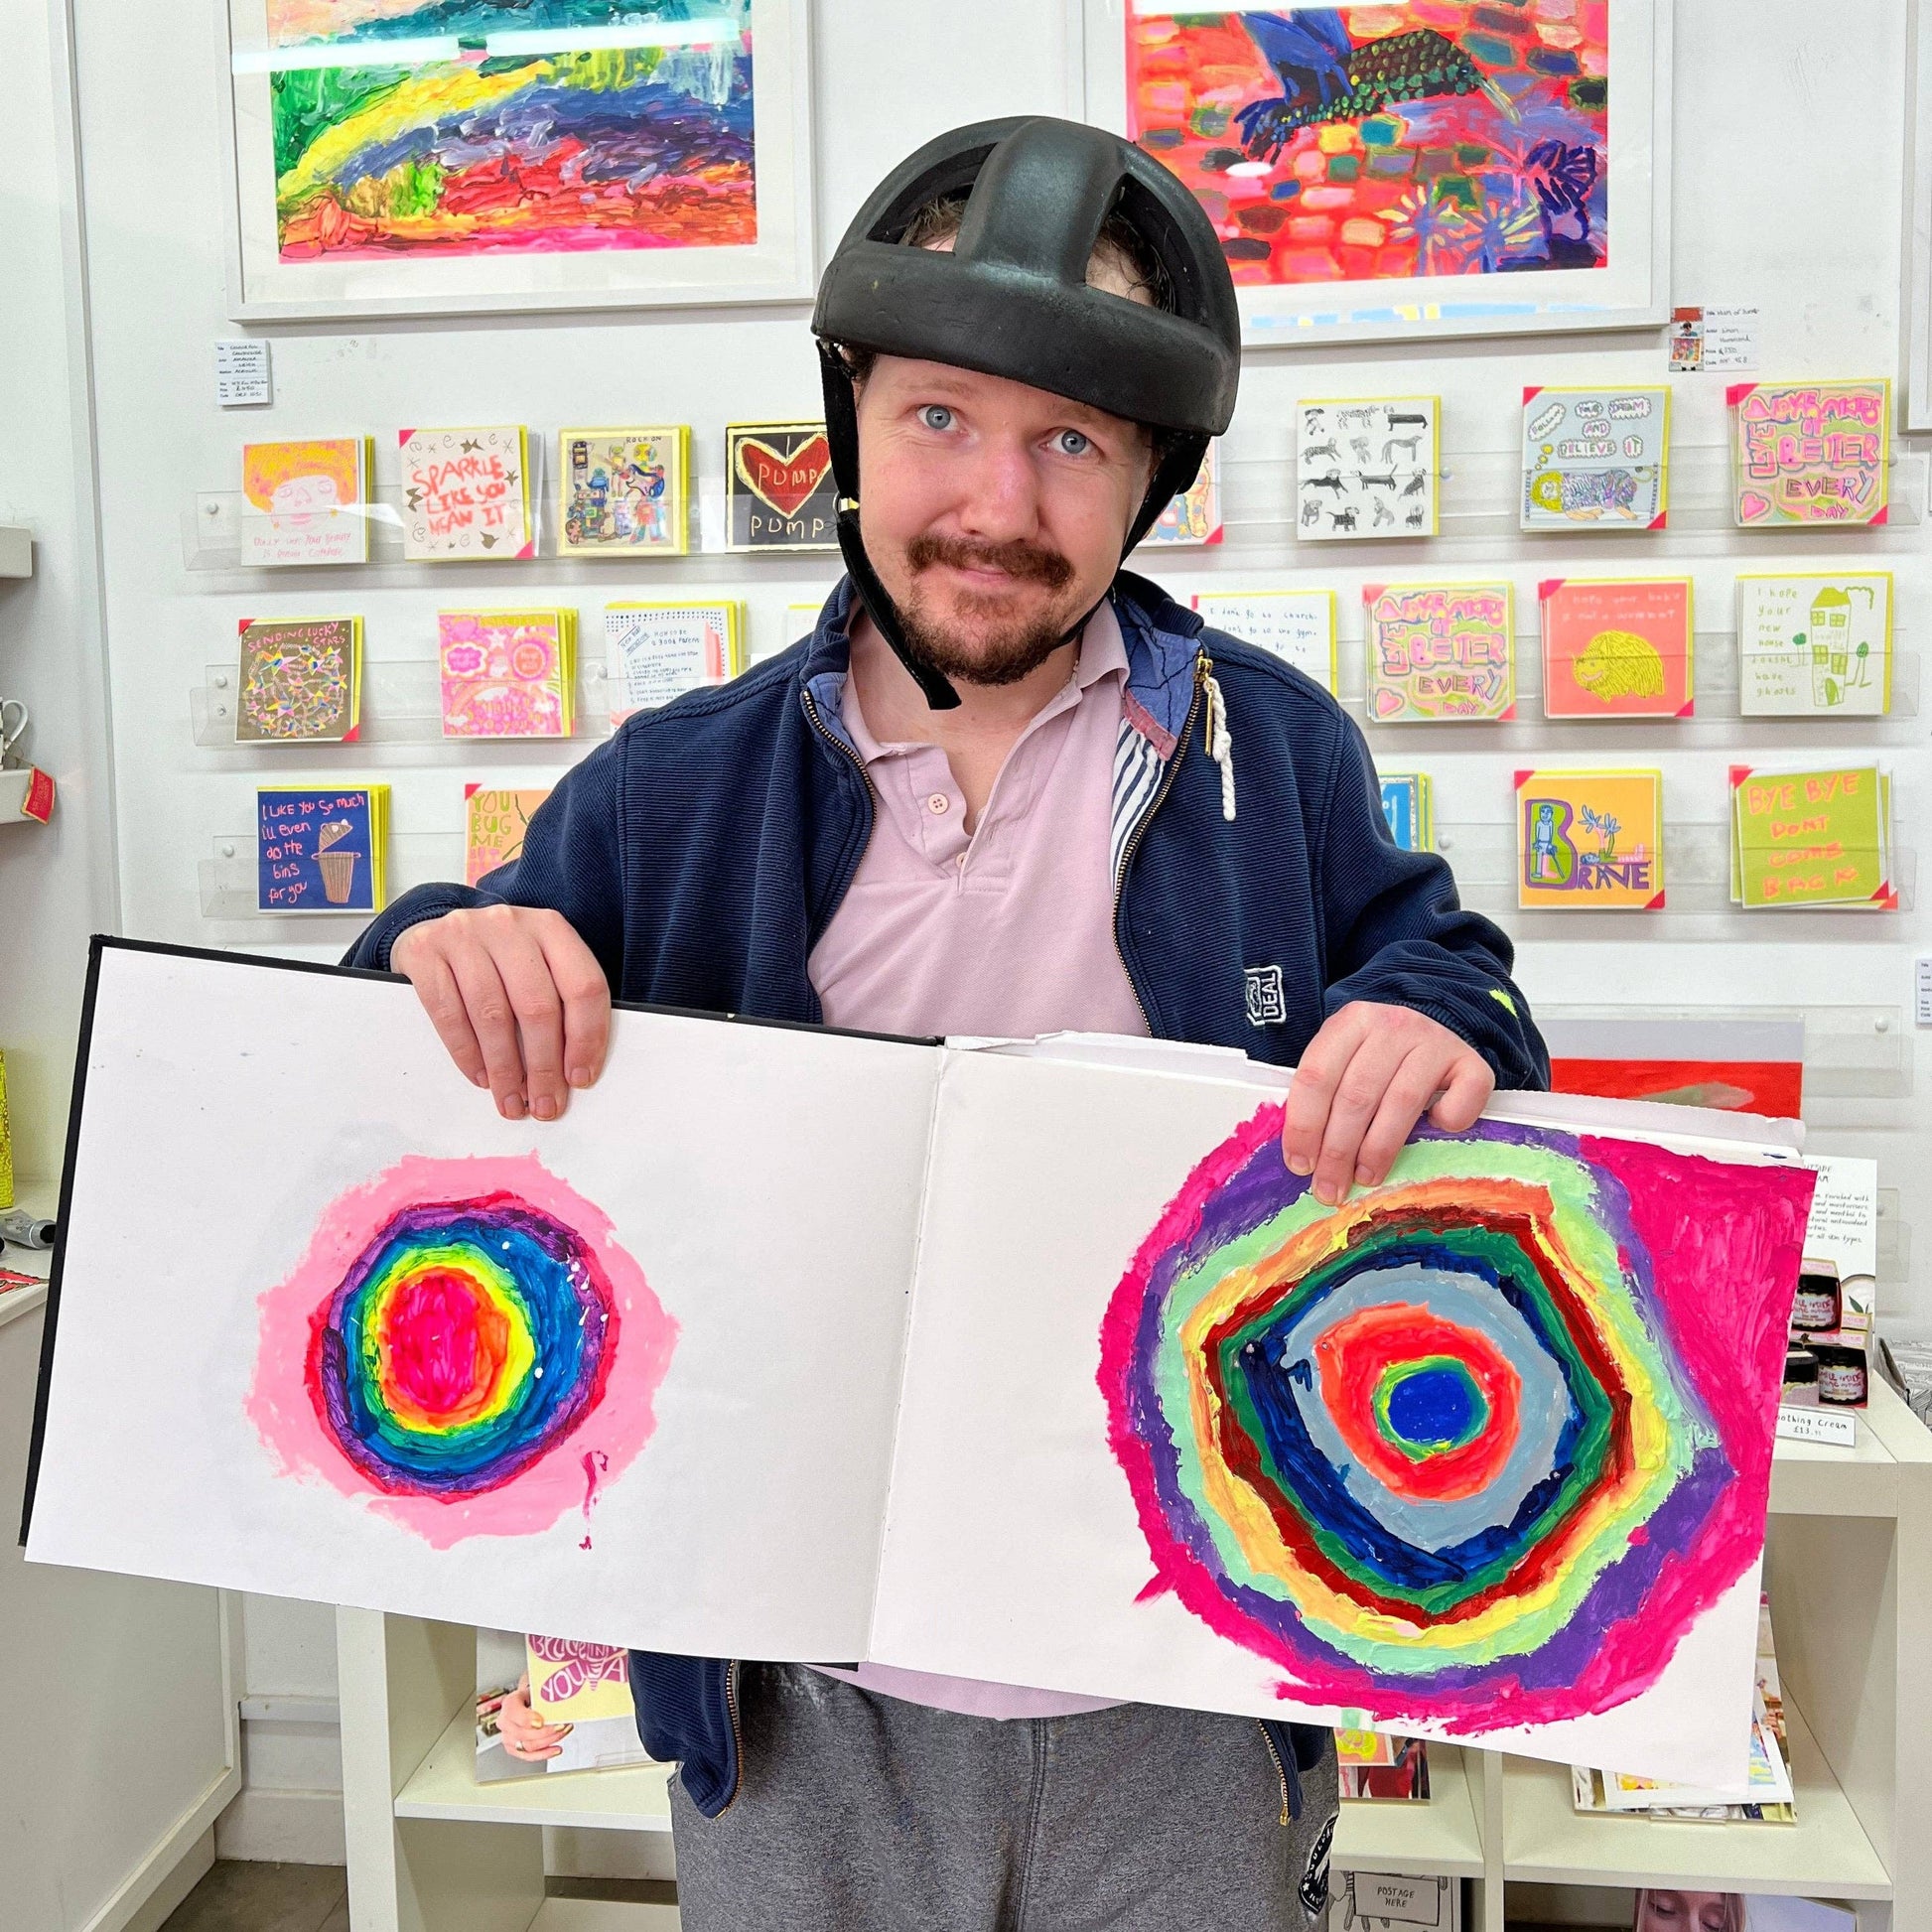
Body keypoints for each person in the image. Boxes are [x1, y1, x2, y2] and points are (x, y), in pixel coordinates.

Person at [347, 114, 1547, 1932]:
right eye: (938, 418)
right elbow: (390, 1054)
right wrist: (442, 942)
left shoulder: (1275, 755)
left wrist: (1431, 1013)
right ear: (847, 419)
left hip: (1179, 1677)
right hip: (800, 1695)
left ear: (1148, 476)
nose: (996, 505)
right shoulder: (678, 786)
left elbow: (1457, 977)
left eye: (1069, 439)